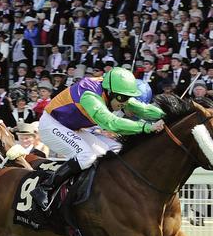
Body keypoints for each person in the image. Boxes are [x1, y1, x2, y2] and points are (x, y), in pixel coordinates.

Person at [35, 67, 165, 209]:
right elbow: (111, 123)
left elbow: (142, 109)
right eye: (122, 98)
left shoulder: (113, 91)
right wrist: (146, 127)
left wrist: (167, 115)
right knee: (86, 156)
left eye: (128, 97)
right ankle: (45, 188)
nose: (125, 103)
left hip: (71, 127)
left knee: (112, 150)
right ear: (110, 92)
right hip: (52, 125)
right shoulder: (90, 96)